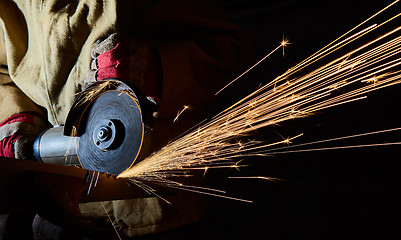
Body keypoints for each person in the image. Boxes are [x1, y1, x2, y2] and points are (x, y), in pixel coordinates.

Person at [0, 0, 249, 238]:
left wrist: (150, 68)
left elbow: (228, 50)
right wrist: (17, 125)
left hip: (156, 210)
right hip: (54, 208)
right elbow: (2, 72)